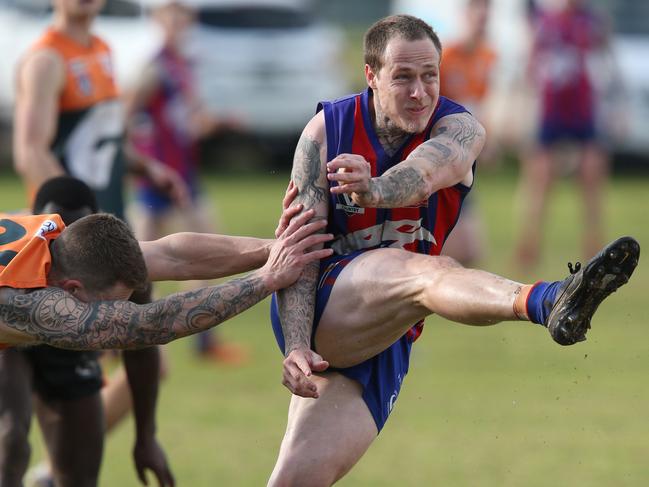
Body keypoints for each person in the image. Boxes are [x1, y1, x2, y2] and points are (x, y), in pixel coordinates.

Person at [267, 15, 639, 486]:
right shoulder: (325, 133)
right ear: (371, 75)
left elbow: (424, 173)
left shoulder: (461, 128)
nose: (420, 92)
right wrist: (297, 344)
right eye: (403, 77)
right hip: (324, 307)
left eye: (430, 76)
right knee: (426, 272)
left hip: (385, 339)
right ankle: (548, 300)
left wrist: (373, 190)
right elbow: (296, 255)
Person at [11, 1, 187, 484]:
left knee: (142, 359)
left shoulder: (103, 50)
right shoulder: (46, 59)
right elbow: (30, 150)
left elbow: (100, 137)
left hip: (106, 234)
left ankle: (51, 474)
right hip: (67, 253)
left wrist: (145, 166)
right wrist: (73, 232)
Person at [0, 176, 173, 487]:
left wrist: (146, 436)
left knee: (79, 475)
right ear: (36, 218)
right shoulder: (11, 250)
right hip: (9, 341)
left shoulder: (110, 257)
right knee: (9, 439)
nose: (67, 245)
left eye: (75, 231)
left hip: (71, 349)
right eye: (58, 232)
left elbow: (142, 341)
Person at [124, 0, 244, 363]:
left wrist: (222, 121)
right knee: (140, 260)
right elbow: (124, 117)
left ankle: (196, 340)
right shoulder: (154, 67)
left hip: (183, 172)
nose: (178, 22)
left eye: (183, 15)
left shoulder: (182, 66)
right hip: (160, 177)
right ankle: (119, 334)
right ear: (159, 21)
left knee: (188, 250)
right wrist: (141, 161)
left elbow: (191, 122)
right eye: (170, 15)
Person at [514, 0, 611, 269]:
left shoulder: (591, 20)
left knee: (592, 173)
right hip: (552, 109)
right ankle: (529, 243)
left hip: (582, 108)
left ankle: (595, 245)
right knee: (540, 177)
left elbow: (605, 58)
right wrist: (523, 107)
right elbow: (530, 64)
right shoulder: (542, 19)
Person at [438, 0, 497, 266]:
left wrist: (487, 140)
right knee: (458, 252)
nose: (482, 17)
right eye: (477, 11)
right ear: (466, 15)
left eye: (487, 12)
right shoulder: (446, 56)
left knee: (468, 253)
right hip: (441, 159)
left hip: (465, 159)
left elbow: (478, 106)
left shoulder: (488, 57)